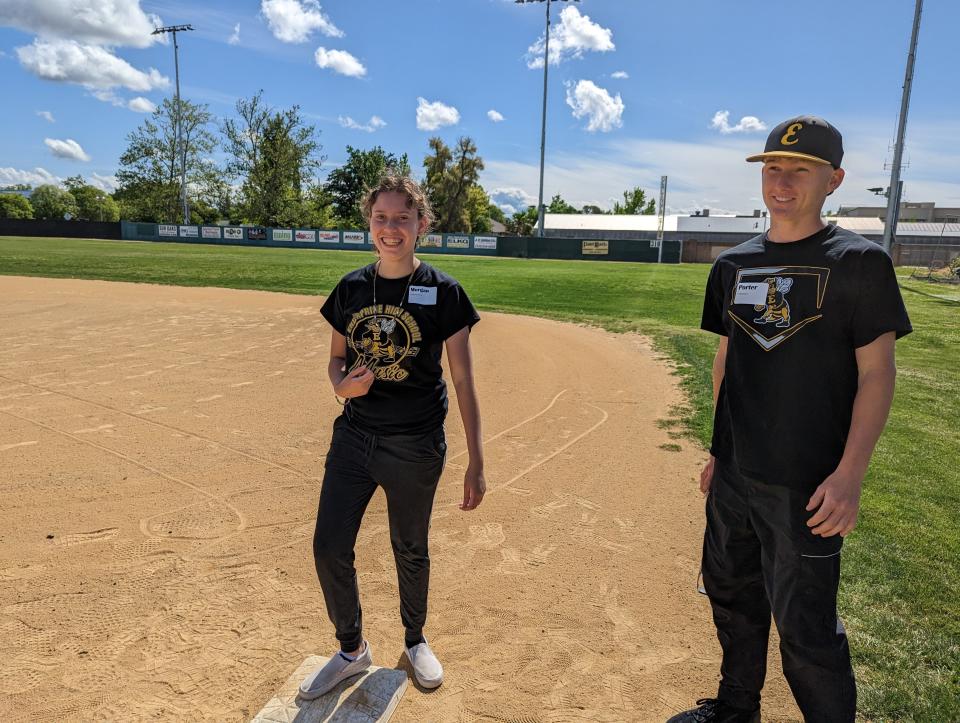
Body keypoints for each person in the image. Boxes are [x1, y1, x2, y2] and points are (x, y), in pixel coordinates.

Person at [670, 116, 912, 723]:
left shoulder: (859, 262)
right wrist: (718, 451)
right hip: (735, 476)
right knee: (732, 597)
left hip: (806, 483)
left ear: (833, 179)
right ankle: (736, 708)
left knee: (806, 629)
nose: (781, 181)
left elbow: (877, 375)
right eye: (772, 167)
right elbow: (730, 356)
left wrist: (851, 475)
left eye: (799, 170)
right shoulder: (734, 264)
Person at [299, 172, 486, 699]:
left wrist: (476, 459)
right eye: (381, 218)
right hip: (354, 440)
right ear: (369, 225)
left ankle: (416, 638)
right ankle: (352, 649)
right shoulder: (352, 288)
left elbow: (465, 380)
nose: (390, 228)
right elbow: (336, 361)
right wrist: (343, 388)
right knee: (328, 546)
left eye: (402, 218)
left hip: (415, 445)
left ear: (421, 225)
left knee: (410, 546)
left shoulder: (445, 293)